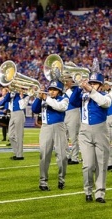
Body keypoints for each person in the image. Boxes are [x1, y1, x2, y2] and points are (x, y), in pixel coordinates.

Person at [70, 73, 111, 203]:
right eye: (91, 82)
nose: (92, 85)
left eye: (95, 83)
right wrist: (78, 86)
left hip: (101, 131)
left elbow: (104, 103)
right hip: (84, 132)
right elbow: (72, 101)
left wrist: (90, 89)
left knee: (102, 164)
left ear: (101, 86)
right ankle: (88, 191)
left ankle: (100, 194)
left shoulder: (105, 96)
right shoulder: (83, 96)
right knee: (88, 165)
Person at [32, 80, 69, 191]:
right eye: (50, 89)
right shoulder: (44, 99)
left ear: (59, 91)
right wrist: (38, 98)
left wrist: (45, 98)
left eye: (54, 90)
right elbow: (34, 109)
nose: (52, 92)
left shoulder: (64, 99)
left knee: (62, 156)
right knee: (44, 155)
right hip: (45, 127)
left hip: (59, 127)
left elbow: (59, 107)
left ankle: (61, 179)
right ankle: (43, 182)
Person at [0, 89, 30, 160]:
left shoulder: (26, 95)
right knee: (10, 135)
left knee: (19, 135)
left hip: (19, 113)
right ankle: (17, 153)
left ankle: (20, 155)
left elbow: (22, 106)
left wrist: (21, 97)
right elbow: (5, 100)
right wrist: (9, 92)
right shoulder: (13, 93)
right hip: (12, 114)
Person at [63, 76, 81, 165]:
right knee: (64, 137)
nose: (66, 82)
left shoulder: (76, 89)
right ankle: (67, 156)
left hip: (73, 112)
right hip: (64, 113)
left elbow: (73, 100)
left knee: (74, 137)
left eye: (68, 80)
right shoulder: (63, 90)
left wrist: (67, 89)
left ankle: (75, 158)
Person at [102, 80, 112, 170]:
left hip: (110, 117)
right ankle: (109, 163)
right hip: (107, 117)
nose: (106, 86)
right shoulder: (105, 94)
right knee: (107, 141)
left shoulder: (108, 94)